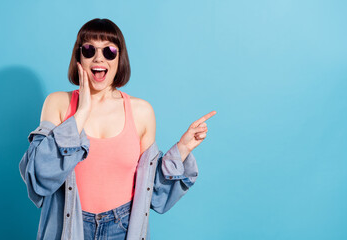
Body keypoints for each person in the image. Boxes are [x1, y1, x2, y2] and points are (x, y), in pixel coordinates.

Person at [19, 18, 216, 240]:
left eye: (109, 51)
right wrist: (81, 112)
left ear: (119, 58)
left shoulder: (141, 112)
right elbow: (39, 177)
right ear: (79, 58)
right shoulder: (57, 104)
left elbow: (154, 195)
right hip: (69, 226)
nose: (99, 57)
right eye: (89, 49)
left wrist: (183, 148)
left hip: (122, 227)